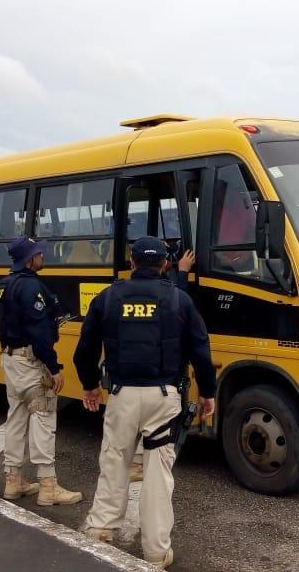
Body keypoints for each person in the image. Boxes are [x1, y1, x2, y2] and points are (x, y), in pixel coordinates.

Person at [75, 236, 216, 570]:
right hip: (164, 399)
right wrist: (208, 393)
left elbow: (86, 349)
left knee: (114, 462)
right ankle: (156, 551)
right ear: (165, 264)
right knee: (157, 475)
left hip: (121, 396)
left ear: (132, 263)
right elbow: (200, 350)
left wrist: (90, 386)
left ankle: (100, 530)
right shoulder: (179, 300)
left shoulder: (107, 298)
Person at [0, 236, 83, 506]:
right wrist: (54, 368)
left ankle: (13, 480)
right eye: (38, 253)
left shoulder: (3, 285)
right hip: (31, 362)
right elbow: (40, 333)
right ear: (29, 259)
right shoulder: (32, 288)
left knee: (16, 418)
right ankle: (47, 486)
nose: (42, 256)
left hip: (10, 359)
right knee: (43, 418)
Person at [128, 246, 195, 483]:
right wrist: (184, 272)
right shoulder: (171, 293)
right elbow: (174, 300)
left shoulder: (119, 293)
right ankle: (138, 463)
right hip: (159, 369)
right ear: (164, 263)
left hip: (132, 374)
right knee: (153, 416)